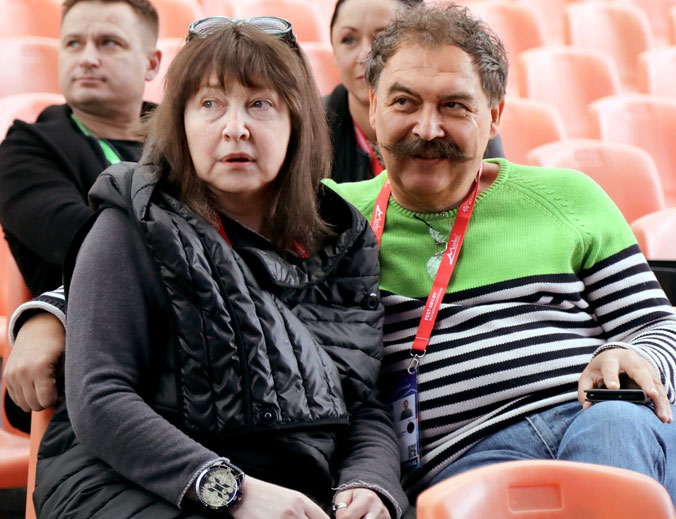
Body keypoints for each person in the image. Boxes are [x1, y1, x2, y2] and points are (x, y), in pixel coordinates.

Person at [326, 4, 676, 518]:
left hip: (602, 419)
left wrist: (638, 357)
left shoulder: (568, 197)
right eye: (404, 102)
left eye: (455, 106)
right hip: (467, 462)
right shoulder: (332, 219)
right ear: (373, 106)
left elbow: (664, 329)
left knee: (618, 426)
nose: (427, 128)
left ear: (495, 114)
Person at [32, 17, 406, 519]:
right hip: (132, 479)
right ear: (181, 123)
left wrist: (370, 482)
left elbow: (361, 401)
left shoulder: (341, 238)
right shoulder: (130, 222)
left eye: (260, 104)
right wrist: (232, 491)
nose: (235, 127)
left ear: (297, 121)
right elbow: (99, 398)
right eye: (209, 104)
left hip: (292, 489)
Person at [0, 0, 161, 431]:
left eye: (108, 43)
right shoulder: (28, 149)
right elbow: (92, 244)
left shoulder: (186, 134)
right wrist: (53, 312)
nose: (87, 57)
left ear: (151, 63)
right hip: (97, 370)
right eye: (73, 43)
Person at [325, 0, 504, 183]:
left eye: (382, 39)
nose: (364, 55)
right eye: (348, 40)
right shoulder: (313, 127)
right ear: (333, 50)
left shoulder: (472, 120)